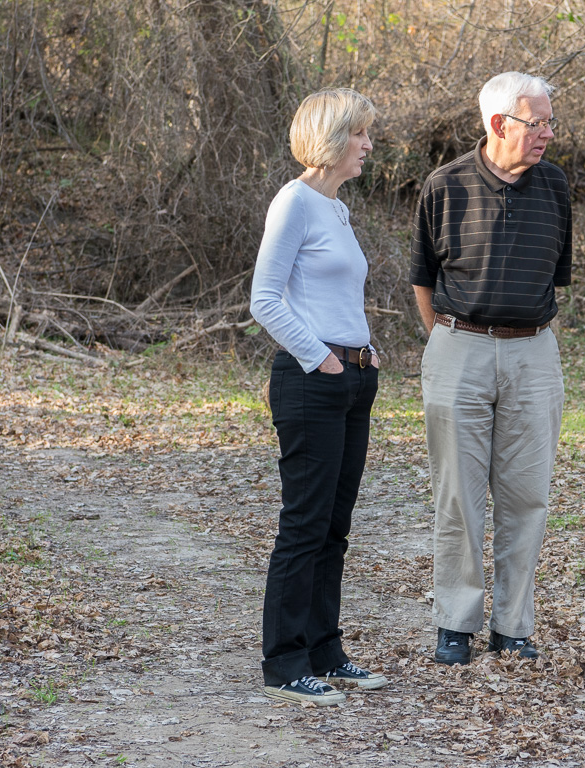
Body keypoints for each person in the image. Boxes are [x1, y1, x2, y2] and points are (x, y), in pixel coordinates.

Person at [410, 71, 572, 665]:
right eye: (539, 123)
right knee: (458, 495)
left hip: (534, 352)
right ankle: (455, 622)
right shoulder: (444, 185)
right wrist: (451, 345)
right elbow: (423, 279)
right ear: (500, 124)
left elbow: (556, 277)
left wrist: (526, 343)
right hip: (459, 348)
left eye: (551, 122)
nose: (549, 134)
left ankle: (513, 626)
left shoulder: (555, 186)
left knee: (526, 496)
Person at [250, 88, 388, 705]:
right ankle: (284, 661)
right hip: (311, 380)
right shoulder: (295, 202)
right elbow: (265, 300)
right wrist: (323, 357)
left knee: (335, 526)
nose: (367, 145)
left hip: (354, 378)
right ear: (332, 139)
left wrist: (363, 349)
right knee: (304, 524)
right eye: (359, 134)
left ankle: (326, 651)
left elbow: (334, 296)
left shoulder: (336, 210)